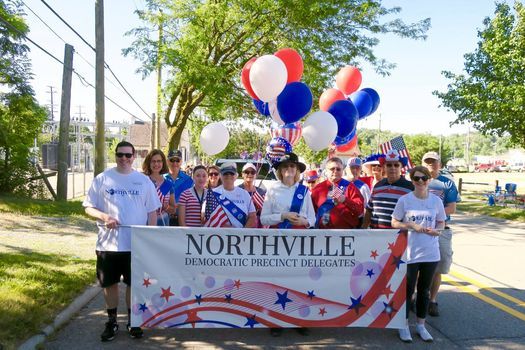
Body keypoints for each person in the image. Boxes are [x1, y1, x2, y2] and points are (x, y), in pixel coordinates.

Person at [83, 141, 160, 342]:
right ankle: (112, 321)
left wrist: (149, 237)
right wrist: (104, 217)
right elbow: (88, 207)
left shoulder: (143, 181)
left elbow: (152, 211)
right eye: (120, 155)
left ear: (134, 157)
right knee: (110, 284)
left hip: (136, 245)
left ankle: (133, 320)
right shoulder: (102, 179)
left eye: (128, 155)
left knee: (134, 284)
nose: (124, 159)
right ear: (115, 155)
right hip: (108, 245)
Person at [260, 152, 315, 337]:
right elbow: (263, 218)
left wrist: (304, 222)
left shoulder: (304, 191)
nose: (289, 170)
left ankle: (299, 319)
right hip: (277, 241)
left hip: (299, 241)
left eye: (292, 166)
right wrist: (282, 216)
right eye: (285, 167)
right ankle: (276, 321)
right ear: (280, 171)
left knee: (299, 280)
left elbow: (312, 218)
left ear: (297, 170)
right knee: (277, 280)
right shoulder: (272, 190)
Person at [391, 166, 446, 343]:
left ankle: (421, 325)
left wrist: (437, 231)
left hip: (431, 252)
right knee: (407, 291)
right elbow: (394, 222)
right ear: (412, 180)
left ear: (429, 180)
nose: (420, 182)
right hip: (410, 253)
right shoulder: (405, 200)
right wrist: (411, 226)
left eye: (424, 178)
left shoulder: (436, 201)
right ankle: (404, 325)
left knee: (424, 291)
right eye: (417, 178)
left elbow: (441, 222)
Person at [422, 151, 461, 317]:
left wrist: (433, 214)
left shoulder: (447, 183)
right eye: (428, 161)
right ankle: (418, 297)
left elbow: (452, 207)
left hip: (441, 229)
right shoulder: (417, 181)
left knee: (439, 266)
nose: (431, 164)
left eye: (434, 161)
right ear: (423, 163)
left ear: (440, 164)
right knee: (419, 266)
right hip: (420, 230)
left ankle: (432, 300)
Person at [362, 149, 414, 229]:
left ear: (401, 167)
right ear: (384, 167)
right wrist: (363, 229)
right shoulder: (377, 186)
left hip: (398, 237)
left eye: (396, 165)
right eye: (389, 165)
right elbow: (369, 210)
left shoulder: (410, 187)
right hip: (375, 235)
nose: (392, 168)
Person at [311, 157, 364, 229]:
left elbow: (360, 210)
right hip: (322, 233)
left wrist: (345, 200)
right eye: (332, 169)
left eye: (338, 169)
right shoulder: (318, 189)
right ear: (326, 171)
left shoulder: (350, 187)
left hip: (345, 234)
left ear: (342, 171)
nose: (335, 171)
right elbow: (311, 212)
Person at [202, 162, 257, 228]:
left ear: (236, 176)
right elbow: (204, 216)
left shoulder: (244, 194)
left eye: (231, 173)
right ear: (221, 176)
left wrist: (243, 232)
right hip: (218, 234)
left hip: (240, 235)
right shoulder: (212, 194)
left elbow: (252, 216)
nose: (229, 176)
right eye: (225, 173)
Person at [141, 149, 176, 226]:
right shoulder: (143, 181)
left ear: (163, 163)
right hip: (145, 221)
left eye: (159, 161)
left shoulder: (168, 184)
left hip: (163, 222)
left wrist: (166, 207)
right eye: (153, 161)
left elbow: (173, 209)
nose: (156, 164)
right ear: (148, 163)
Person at [164, 149, 194, 226]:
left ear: (181, 162)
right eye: (172, 160)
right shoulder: (161, 179)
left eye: (177, 160)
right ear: (167, 161)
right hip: (165, 219)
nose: (175, 163)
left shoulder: (188, 180)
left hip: (183, 219)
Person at [238, 162, 266, 228]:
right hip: (241, 223)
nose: (250, 174)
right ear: (242, 174)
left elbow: (265, 211)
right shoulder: (237, 190)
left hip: (257, 226)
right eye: (247, 172)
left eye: (252, 172)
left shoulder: (261, 192)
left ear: (256, 175)